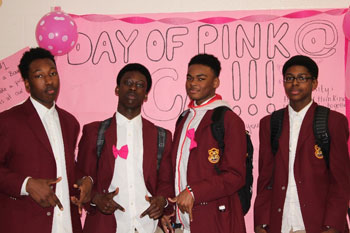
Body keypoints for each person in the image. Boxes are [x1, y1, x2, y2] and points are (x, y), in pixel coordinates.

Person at [254, 55, 350, 233]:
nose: (295, 83)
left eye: (302, 78)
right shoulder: (270, 123)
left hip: (318, 224)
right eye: (289, 78)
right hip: (280, 223)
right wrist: (261, 222)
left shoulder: (333, 121)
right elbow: (265, 178)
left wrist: (333, 226)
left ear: (314, 83)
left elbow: (341, 181)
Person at [76, 63, 173, 233]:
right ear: (117, 89)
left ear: (146, 95)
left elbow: (167, 181)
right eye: (128, 83)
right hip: (104, 226)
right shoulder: (94, 132)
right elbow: (80, 176)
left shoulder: (161, 136)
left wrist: (162, 201)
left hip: (146, 226)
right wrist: (95, 199)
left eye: (140, 85)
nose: (133, 88)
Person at [0, 47, 86, 233]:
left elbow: (66, 166)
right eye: (39, 76)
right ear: (27, 84)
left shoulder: (70, 122)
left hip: (66, 224)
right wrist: (26, 184)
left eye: (53, 73)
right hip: (25, 224)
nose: (49, 80)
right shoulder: (8, 121)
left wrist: (84, 182)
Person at [161, 53, 247, 233]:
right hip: (181, 224)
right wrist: (168, 209)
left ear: (215, 83)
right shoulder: (184, 118)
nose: (193, 83)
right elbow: (175, 170)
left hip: (215, 222)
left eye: (201, 79)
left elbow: (235, 175)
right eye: (189, 78)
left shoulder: (229, 119)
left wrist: (194, 192)